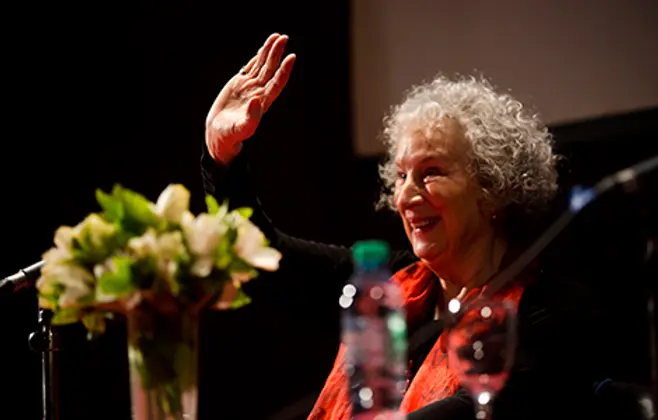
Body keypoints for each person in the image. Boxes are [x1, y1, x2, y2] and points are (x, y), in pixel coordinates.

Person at [202, 33, 600, 419]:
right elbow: (262, 255)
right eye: (401, 176)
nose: (406, 196)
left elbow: (476, 408)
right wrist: (222, 157)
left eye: (431, 173)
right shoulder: (386, 285)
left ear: (493, 188)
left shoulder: (544, 311)